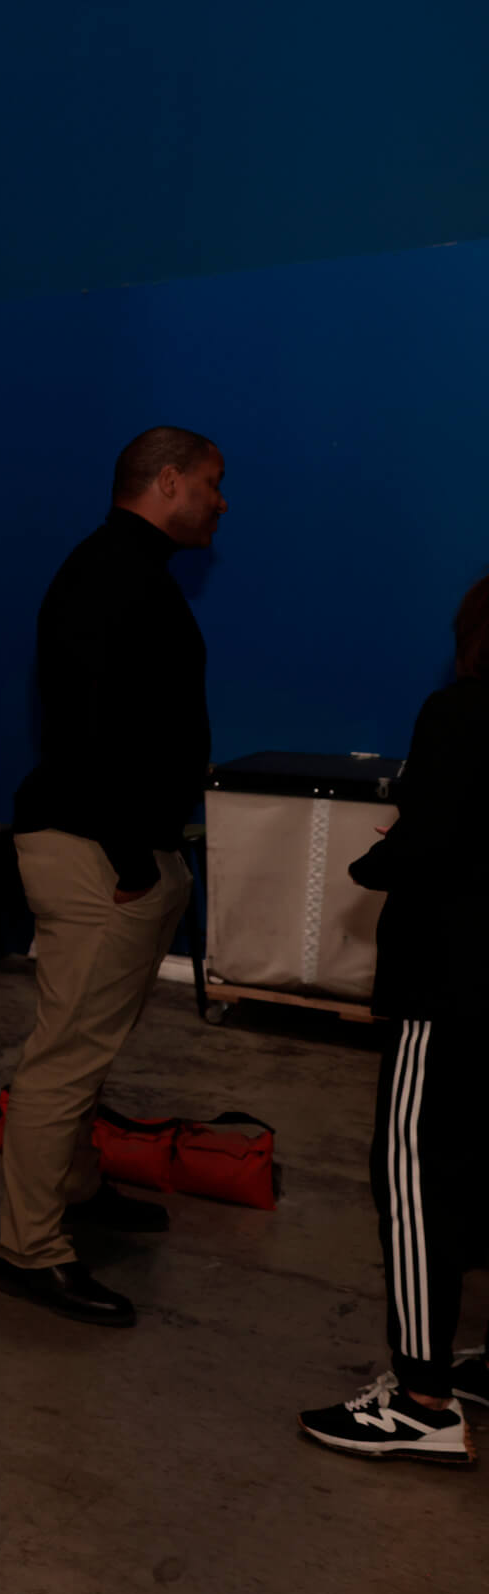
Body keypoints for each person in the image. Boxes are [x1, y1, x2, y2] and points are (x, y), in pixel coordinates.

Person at [0, 426, 225, 1328]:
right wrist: (132, 863)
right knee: (63, 1060)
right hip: (98, 855)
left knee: (84, 1047)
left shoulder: (131, 571)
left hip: (116, 848)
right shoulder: (108, 577)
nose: (220, 501)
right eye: (210, 483)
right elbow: (91, 730)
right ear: (166, 482)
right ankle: (28, 1252)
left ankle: (75, 1188)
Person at [299, 574, 489, 1465]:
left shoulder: (458, 713)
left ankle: (421, 1399)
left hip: (449, 987)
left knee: (413, 1176)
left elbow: (428, 838)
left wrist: (378, 862)